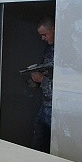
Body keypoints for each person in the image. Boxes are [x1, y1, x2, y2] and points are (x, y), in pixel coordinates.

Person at [30, 16, 55, 153]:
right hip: (45, 104)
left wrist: (42, 80)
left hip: (55, 107)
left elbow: (65, 86)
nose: (43, 38)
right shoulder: (49, 48)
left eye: (45, 34)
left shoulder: (66, 50)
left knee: (54, 145)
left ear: (54, 29)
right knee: (38, 142)